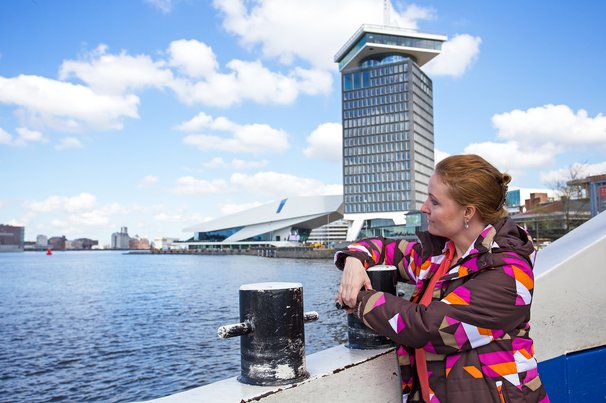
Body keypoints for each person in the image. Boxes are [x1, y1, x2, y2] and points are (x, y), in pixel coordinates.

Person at [336, 154, 549, 403]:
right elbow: (384, 248)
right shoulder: (441, 256)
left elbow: (426, 328)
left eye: (434, 202)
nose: (424, 207)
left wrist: (357, 299)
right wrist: (353, 260)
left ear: (468, 212)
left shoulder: (508, 274)